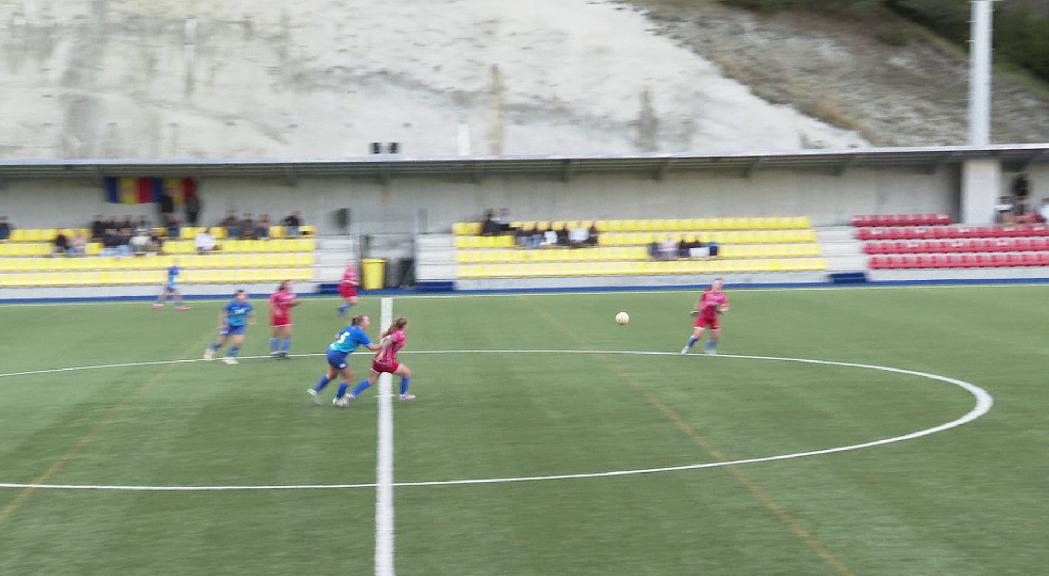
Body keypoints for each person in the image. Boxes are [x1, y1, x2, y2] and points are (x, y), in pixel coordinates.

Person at [308, 315, 380, 406]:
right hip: (337, 356)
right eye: (367, 321)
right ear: (362, 323)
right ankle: (338, 399)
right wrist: (384, 345)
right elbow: (372, 347)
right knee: (348, 379)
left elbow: (337, 336)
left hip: (331, 351)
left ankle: (315, 390)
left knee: (332, 375)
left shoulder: (349, 328)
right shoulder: (359, 333)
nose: (369, 323)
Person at [343, 316, 415, 403]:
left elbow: (386, 338)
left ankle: (352, 395)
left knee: (371, 380)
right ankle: (403, 395)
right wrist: (382, 353)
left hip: (377, 361)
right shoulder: (399, 334)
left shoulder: (392, 331)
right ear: (404, 326)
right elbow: (387, 341)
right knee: (407, 373)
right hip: (386, 362)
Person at [203, 290, 255, 365]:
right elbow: (223, 313)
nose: (243, 296)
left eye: (244, 295)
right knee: (222, 342)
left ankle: (229, 357)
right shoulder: (231, 304)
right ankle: (211, 350)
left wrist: (251, 321)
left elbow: (251, 313)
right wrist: (222, 324)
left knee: (239, 342)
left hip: (239, 326)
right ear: (236, 296)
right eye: (241, 295)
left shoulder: (248, 305)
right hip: (228, 325)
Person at [681, 278, 730, 356]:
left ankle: (708, 349)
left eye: (721, 284)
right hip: (703, 317)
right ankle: (687, 347)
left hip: (713, 318)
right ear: (713, 285)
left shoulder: (722, 296)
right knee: (697, 336)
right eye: (717, 284)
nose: (719, 286)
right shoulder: (706, 293)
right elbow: (700, 301)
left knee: (716, 336)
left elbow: (726, 306)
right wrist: (696, 310)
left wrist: (722, 310)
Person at [268, 281, 299, 359]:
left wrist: (295, 304)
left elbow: (289, 305)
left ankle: (284, 352)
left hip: (286, 316)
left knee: (288, 334)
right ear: (284, 285)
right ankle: (274, 352)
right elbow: (271, 304)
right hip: (277, 317)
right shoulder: (277, 294)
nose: (291, 285)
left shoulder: (292, 295)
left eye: (292, 284)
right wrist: (276, 311)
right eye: (289, 284)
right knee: (275, 335)